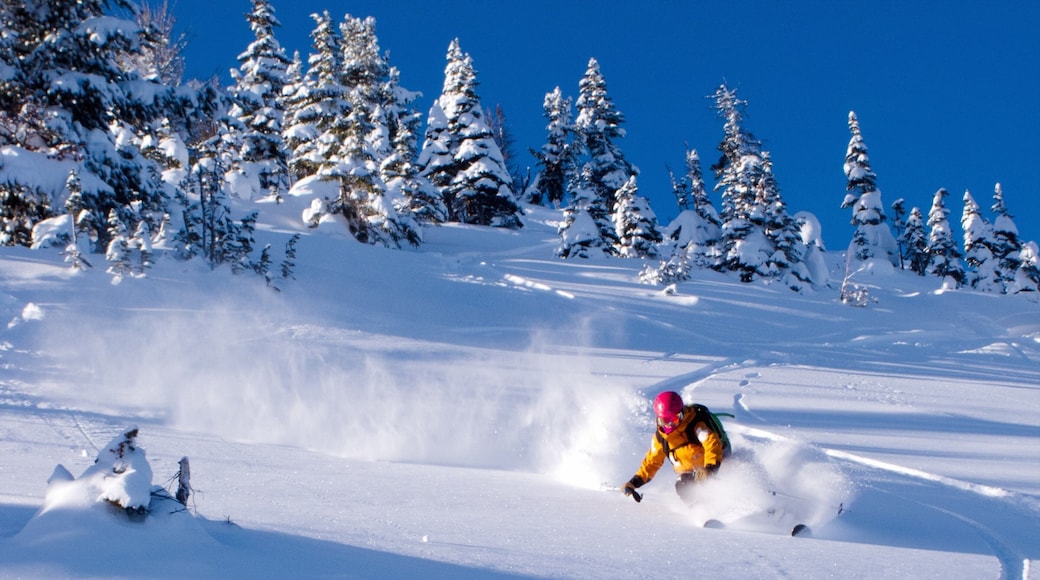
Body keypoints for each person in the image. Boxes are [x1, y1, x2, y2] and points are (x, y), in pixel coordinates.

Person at [622, 391, 729, 504]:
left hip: (714, 463)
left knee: (713, 483)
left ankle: (724, 506)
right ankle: (700, 511)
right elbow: (652, 462)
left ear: (682, 414)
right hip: (689, 472)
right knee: (683, 487)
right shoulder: (661, 438)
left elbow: (711, 443)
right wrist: (633, 483)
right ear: (659, 419)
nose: (670, 424)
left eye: (674, 419)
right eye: (665, 420)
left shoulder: (695, 425)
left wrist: (710, 468)